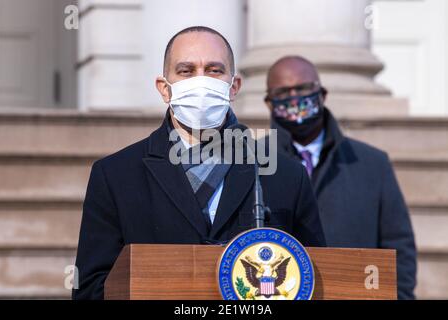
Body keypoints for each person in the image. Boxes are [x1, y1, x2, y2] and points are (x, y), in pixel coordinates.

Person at [72, 27, 326, 300]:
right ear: (164, 88)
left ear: (234, 86)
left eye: (214, 70)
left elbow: (316, 276)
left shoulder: (285, 175)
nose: (201, 81)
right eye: (186, 70)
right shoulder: (115, 176)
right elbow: (91, 287)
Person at [263, 56, 417, 299]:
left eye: (302, 89)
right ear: (269, 103)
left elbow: (399, 247)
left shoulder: (372, 164)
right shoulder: (253, 164)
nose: (294, 98)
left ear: (322, 94)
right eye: (283, 92)